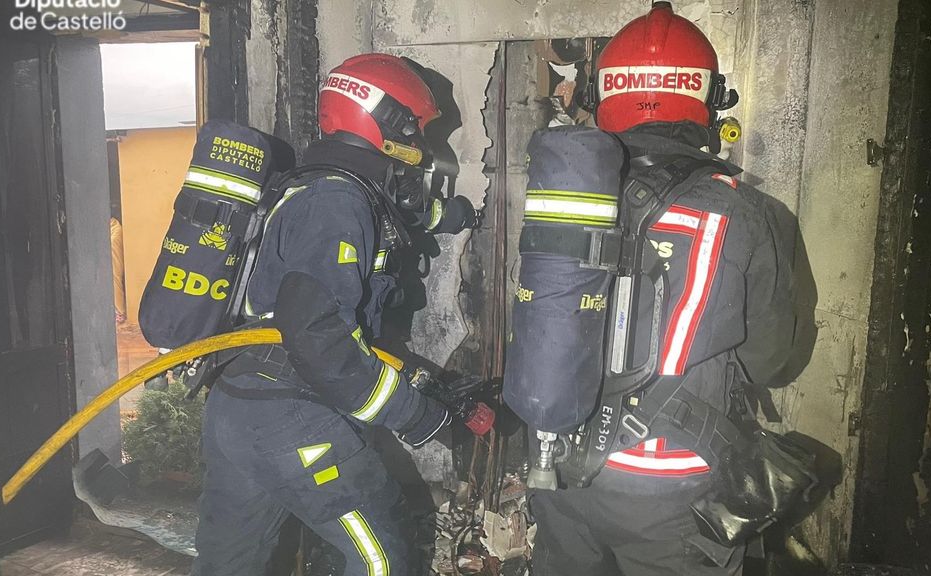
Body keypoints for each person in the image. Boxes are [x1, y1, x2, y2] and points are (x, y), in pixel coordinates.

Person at [529, 3, 800, 575]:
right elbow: (774, 363)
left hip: (557, 462)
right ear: (707, 100)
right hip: (670, 489)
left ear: (604, 95)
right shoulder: (747, 212)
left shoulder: (565, 194)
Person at [192, 53, 478, 576]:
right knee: (384, 561)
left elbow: (403, 216)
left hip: (239, 403)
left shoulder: (319, 186)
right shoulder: (337, 202)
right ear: (386, 122)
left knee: (228, 566)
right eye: (416, 129)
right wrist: (415, 415)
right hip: (290, 417)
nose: (421, 144)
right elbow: (319, 337)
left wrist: (455, 216)